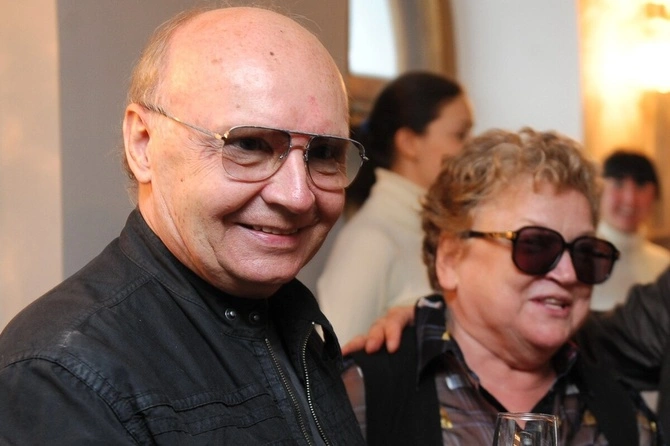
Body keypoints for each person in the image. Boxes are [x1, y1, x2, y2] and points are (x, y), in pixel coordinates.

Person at [0, 6, 367, 444]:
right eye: (249, 144)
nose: (297, 196)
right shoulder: (61, 378)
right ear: (143, 144)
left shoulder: (287, 318)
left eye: (324, 153)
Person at [343, 128, 659, 445]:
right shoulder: (361, 395)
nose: (568, 274)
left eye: (585, 253)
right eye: (534, 245)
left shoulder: (624, 415)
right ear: (451, 259)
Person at [317, 71, 474, 344]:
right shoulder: (370, 240)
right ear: (409, 143)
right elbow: (335, 356)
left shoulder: (440, 228)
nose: (471, 149)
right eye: (460, 135)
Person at [591, 150, 670, 311]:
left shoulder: (664, 265)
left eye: (640, 185)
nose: (630, 199)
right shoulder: (579, 260)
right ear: (598, 190)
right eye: (618, 184)